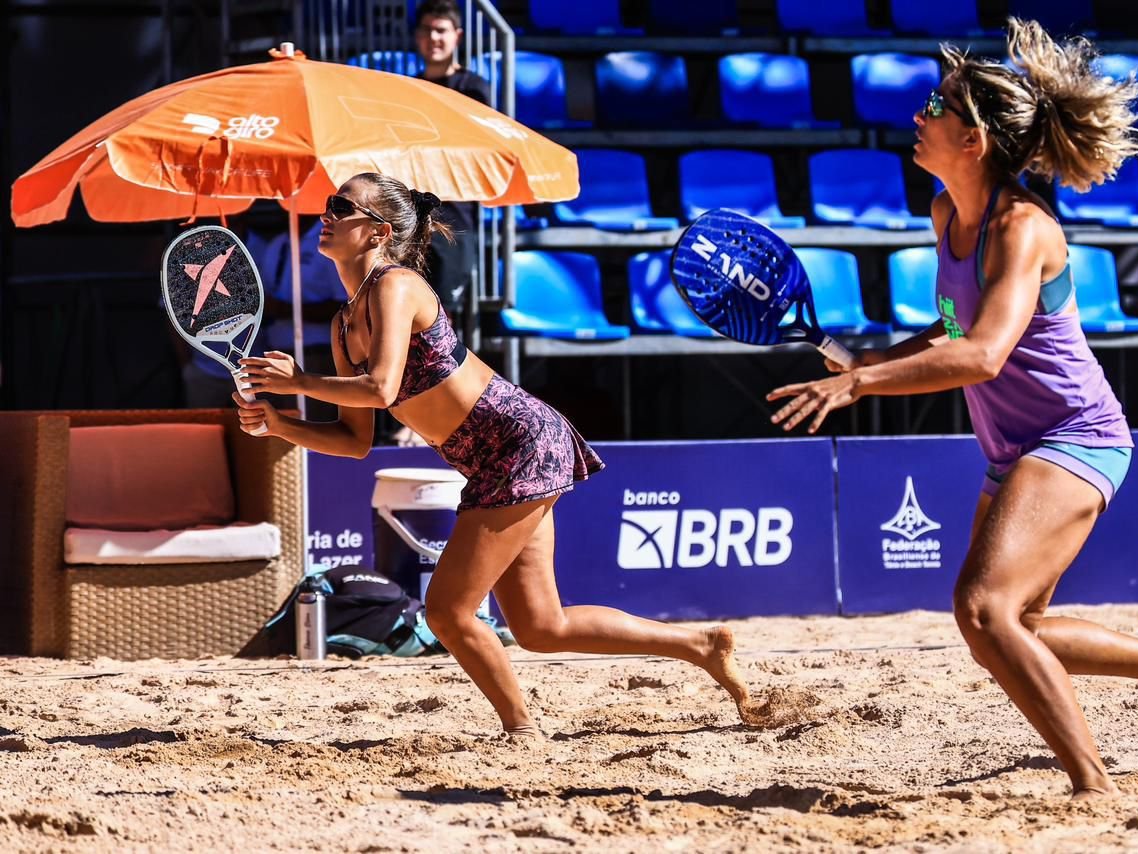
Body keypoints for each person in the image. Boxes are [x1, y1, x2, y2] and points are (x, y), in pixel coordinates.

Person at [766, 19, 1138, 798]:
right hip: (1016, 447)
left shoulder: (1024, 227)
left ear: (974, 139)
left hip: (1076, 436)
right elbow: (954, 328)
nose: (919, 116)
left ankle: (1093, 784)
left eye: (936, 107)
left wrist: (859, 386)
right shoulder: (947, 217)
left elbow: (983, 354)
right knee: (1017, 627)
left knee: (983, 611)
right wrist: (869, 357)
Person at [234, 173, 752, 738]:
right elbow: (354, 440)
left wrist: (302, 382)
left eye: (340, 206)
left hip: (520, 443)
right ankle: (701, 644)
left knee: (449, 611)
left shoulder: (396, 285)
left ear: (379, 232)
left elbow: (381, 389)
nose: (324, 214)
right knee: (540, 627)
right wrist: (281, 424)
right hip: (494, 458)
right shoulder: (343, 323)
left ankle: (522, 730)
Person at [414, 0, 486, 323]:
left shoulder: (473, 89)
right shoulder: (410, 89)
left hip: (456, 217)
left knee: (445, 323)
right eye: (428, 30)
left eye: (441, 31)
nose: (434, 38)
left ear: (456, 36)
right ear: (417, 37)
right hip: (415, 217)